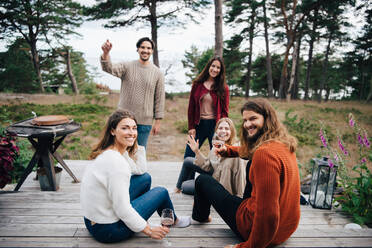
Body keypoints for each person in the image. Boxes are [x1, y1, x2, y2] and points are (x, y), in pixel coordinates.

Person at [192, 98, 301, 248]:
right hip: (285, 228)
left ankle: (201, 217)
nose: (247, 124)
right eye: (245, 120)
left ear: (267, 118)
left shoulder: (264, 155)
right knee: (251, 163)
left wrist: (245, 246)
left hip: (256, 230)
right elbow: (252, 151)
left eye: (253, 118)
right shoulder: (284, 144)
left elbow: (267, 215)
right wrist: (229, 150)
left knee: (202, 181)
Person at [80, 110, 190, 244]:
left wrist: (132, 143)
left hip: (92, 220)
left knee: (145, 179)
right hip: (108, 230)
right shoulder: (117, 165)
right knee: (161, 192)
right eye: (125, 128)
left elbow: (141, 170)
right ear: (113, 131)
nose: (131, 132)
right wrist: (149, 230)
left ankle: (139, 217)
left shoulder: (109, 152)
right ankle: (174, 221)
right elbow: (122, 209)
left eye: (134, 128)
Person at [100, 37, 165, 148]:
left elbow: (159, 98)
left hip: (144, 122)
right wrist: (106, 53)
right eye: (143, 47)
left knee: (139, 155)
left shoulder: (157, 73)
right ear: (138, 49)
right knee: (121, 153)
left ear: (152, 51)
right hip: (123, 120)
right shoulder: (127, 66)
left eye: (149, 48)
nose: (145, 50)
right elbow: (109, 68)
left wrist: (158, 122)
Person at [175, 118, 246, 197]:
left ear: (231, 132)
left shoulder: (236, 149)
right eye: (220, 128)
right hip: (213, 178)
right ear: (216, 131)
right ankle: (177, 189)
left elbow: (241, 177)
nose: (223, 131)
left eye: (227, 129)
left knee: (185, 187)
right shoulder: (216, 145)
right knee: (184, 184)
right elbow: (208, 166)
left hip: (221, 188)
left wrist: (240, 196)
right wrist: (196, 151)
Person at [184, 56, 229, 158]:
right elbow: (191, 107)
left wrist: (223, 129)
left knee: (216, 156)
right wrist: (191, 127)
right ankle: (187, 175)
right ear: (209, 66)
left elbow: (224, 112)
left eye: (218, 68)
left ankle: (214, 175)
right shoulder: (197, 84)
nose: (215, 69)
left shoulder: (224, 88)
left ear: (221, 71)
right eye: (213, 66)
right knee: (189, 156)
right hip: (198, 125)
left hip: (215, 126)